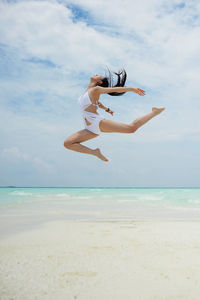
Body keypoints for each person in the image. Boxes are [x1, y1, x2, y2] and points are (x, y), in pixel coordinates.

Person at [64, 68, 165, 162]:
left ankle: (154, 112)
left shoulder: (96, 89)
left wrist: (131, 89)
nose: (96, 74)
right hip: (89, 127)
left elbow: (113, 89)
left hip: (96, 121)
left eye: (99, 76)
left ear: (99, 82)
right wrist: (107, 109)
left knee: (131, 128)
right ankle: (95, 152)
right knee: (68, 144)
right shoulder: (87, 93)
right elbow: (97, 103)